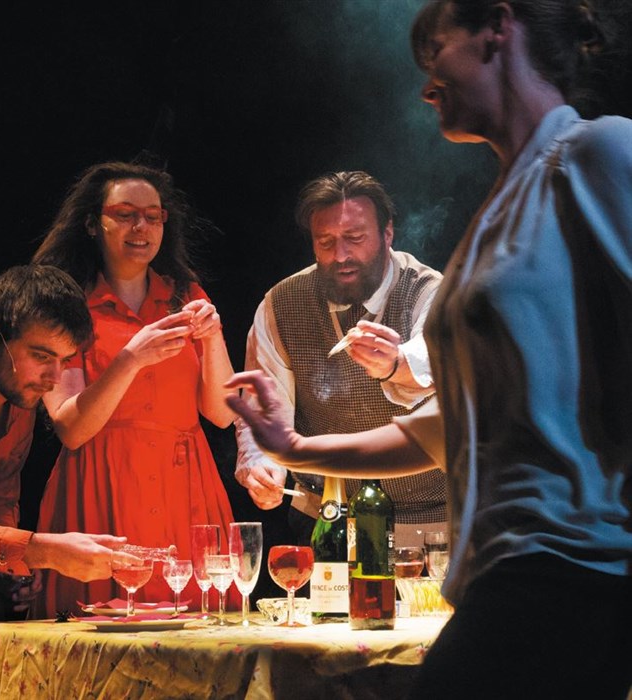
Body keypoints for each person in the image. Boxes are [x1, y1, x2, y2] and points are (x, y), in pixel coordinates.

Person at [226, 1, 632, 698]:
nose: (424, 86)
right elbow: (450, 428)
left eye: (435, 52)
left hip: (571, 566)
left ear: (497, 29)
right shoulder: (500, 212)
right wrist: (293, 447)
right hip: (501, 574)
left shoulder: (597, 153)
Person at [32, 161, 241, 616]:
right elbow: (71, 428)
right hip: (102, 483)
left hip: (184, 486)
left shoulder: (185, 294)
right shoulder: (66, 304)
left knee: (198, 630)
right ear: (93, 223)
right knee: (96, 628)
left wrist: (213, 337)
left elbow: (222, 413)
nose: (141, 227)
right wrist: (130, 359)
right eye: (125, 214)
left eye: (152, 216)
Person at [235, 170, 445, 547]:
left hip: (430, 521)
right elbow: (264, 407)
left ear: (387, 233)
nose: (341, 255)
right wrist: (262, 464)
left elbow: (430, 368)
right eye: (326, 242)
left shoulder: (429, 291)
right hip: (326, 519)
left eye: (355, 238)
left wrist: (394, 364)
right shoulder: (282, 304)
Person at [0, 265, 129, 639]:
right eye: (41, 356)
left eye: (64, 361)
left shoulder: (19, 401)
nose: (54, 379)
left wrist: (8, 570)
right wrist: (38, 550)